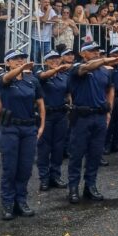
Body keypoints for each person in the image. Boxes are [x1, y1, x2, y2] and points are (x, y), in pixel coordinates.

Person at [0, 49, 45, 220]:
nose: (20, 60)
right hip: (10, 129)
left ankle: (21, 201)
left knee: (25, 168)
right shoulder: (3, 78)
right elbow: (7, 78)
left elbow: (40, 102)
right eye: (15, 59)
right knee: (10, 168)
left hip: (28, 129)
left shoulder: (31, 80)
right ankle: (8, 203)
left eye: (22, 58)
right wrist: (21, 68)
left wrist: (41, 126)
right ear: (7, 62)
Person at [67, 42, 115, 203]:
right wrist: (104, 61)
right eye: (91, 51)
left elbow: (109, 90)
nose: (95, 53)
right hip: (82, 116)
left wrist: (109, 110)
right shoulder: (77, 67)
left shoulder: (104, 71)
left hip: (99, 116)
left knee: (95, 154)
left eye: (97, 50)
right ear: (83, 53)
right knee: (77, 154)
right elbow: (85, 69)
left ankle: (90, 186)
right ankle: (73, 187)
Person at [37, 51, 70, 191]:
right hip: (47, 116)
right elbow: (43, 76)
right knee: (44, 149)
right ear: (46, 62)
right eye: (51, 59)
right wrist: (56, 69)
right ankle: (44, 178)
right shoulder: (41, 73)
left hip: (61, 115)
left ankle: (55, 176)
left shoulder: (64, 76)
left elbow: (68, 93)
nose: (55, 61)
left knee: (58, 147)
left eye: (57, 58)